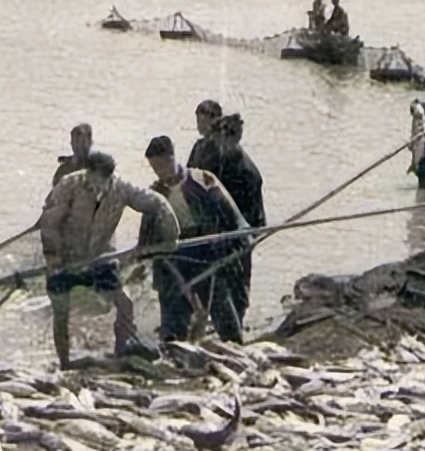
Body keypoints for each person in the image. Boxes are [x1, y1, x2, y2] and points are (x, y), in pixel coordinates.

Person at [38, 151, 179, 368]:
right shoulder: (69, 185)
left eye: (104, 181)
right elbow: (49, 222)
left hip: (100, 257)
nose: (99, 187)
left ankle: (122, 351)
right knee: (61, 312)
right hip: (67, 258)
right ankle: (65, 363)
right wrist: (52, 255)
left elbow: (152, 202)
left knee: (125, 304)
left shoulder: (120, 187)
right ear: (88, 173)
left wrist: (169, 226)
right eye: (94, 180)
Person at [144, 136, 247, 344]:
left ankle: (235, 344)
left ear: (171, 157)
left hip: (207, 252)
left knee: (220, 303)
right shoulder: (155, 193)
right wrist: (147, 253)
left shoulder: (203, 179)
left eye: (162, 165)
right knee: (174, 311)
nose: (160, 172)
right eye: (155, 168)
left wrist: (235, 239)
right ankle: (174, 348)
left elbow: (232, 217)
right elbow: (148, 234)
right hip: (175, 257)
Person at [210, 113, 265, 317]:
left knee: (237, 291)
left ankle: (236, 329)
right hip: (213, 234)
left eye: (220, 140)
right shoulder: (216, 161)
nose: (217, 145)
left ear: (233, 139)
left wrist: (241, 239)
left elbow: (254, 220)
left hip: (238, 238)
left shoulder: (248, 174)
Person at [53, 123, 93, 187]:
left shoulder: (98, 168)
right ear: (71, 143)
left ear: (91, 143)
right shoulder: (64, 169)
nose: (79, 146)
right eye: (76, 141)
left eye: (83, 142)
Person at [187, 99, 222, 171]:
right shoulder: (198, 146)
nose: (200, 126)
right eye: (198, 122)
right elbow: (190, 171)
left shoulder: (224, 148)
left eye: (204, 123)